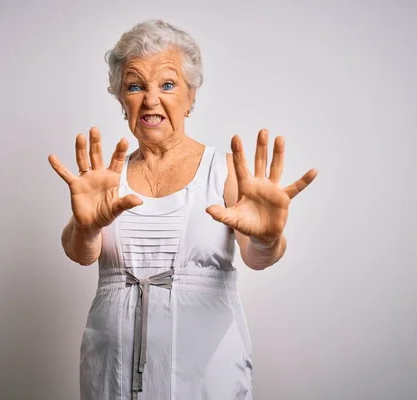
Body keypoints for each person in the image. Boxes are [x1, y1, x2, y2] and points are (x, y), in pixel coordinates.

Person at [48, 19, 317, 400]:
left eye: (168, 85)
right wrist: (85, 226)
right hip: (111, 367)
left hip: (206, 371)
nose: (151, 100)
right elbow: (80, 252)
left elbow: (258, 257)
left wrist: (269, 238)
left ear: (191, 96)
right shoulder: (106, 178)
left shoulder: (224, 170)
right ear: (121, 99)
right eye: (135, 85)